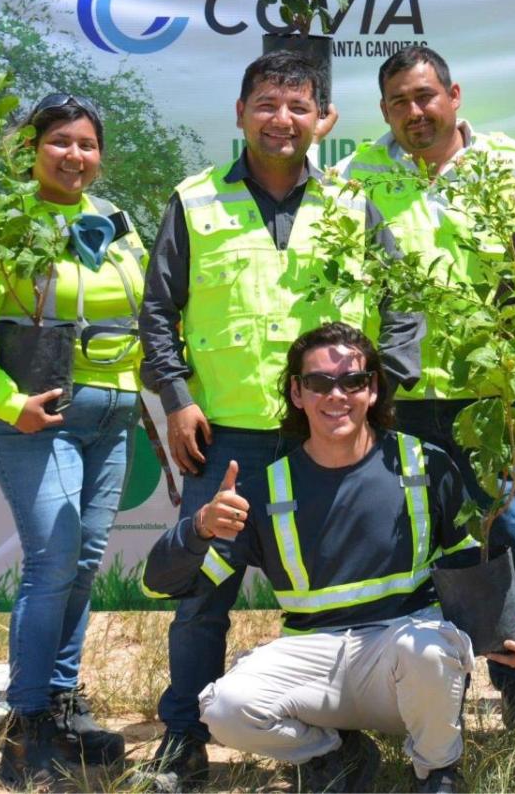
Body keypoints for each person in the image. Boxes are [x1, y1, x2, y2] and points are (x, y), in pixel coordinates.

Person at [137, 50, 423, 789]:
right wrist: (177, 398)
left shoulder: (351, 204)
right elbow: (158, 312)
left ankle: (334, 742)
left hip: (323, 443)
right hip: (224, 439)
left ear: (321, 120)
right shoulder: (194, 200)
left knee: (337, 595)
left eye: (298, 107)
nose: (281, 119)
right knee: (202, 597)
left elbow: (402, 306)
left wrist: (376, 397)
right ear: (240, 114)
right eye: (266, 103)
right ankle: (181, 738)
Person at [142, 322, 515, 794]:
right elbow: (159, 585)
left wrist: (502, 633)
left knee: (430, 650)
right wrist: (199, 528)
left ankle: (437, 772)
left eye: (352, 381)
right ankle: (335, 755)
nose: (337, 395)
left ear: (372, 389)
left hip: (401, 657)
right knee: (225, 708)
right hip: (314, 661)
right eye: (318, 383)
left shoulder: (422, 463)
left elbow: (464, 558)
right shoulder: (267, 490)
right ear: (296, 392)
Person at [335, 45, 515, 730]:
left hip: (489, 394)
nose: (414, 111)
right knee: (404, 545)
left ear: (455, 96)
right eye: (399, 101)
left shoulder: (513, 167)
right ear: (383, 111)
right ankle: (423, 702)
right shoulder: (354, 175)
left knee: (506, 535)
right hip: (395, 398)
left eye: (425, 95)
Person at [0, 93, 146, 784]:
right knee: (54, 559)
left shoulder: (117, 224)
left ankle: (62, 703)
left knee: (84, 563)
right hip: (38, 414)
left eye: (87, 144)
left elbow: (151, 314)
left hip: (114, 416)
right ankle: (27, 730)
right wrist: (7, 402)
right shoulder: (0, 224)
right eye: (60, 141)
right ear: (32, 150)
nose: (75, 156)